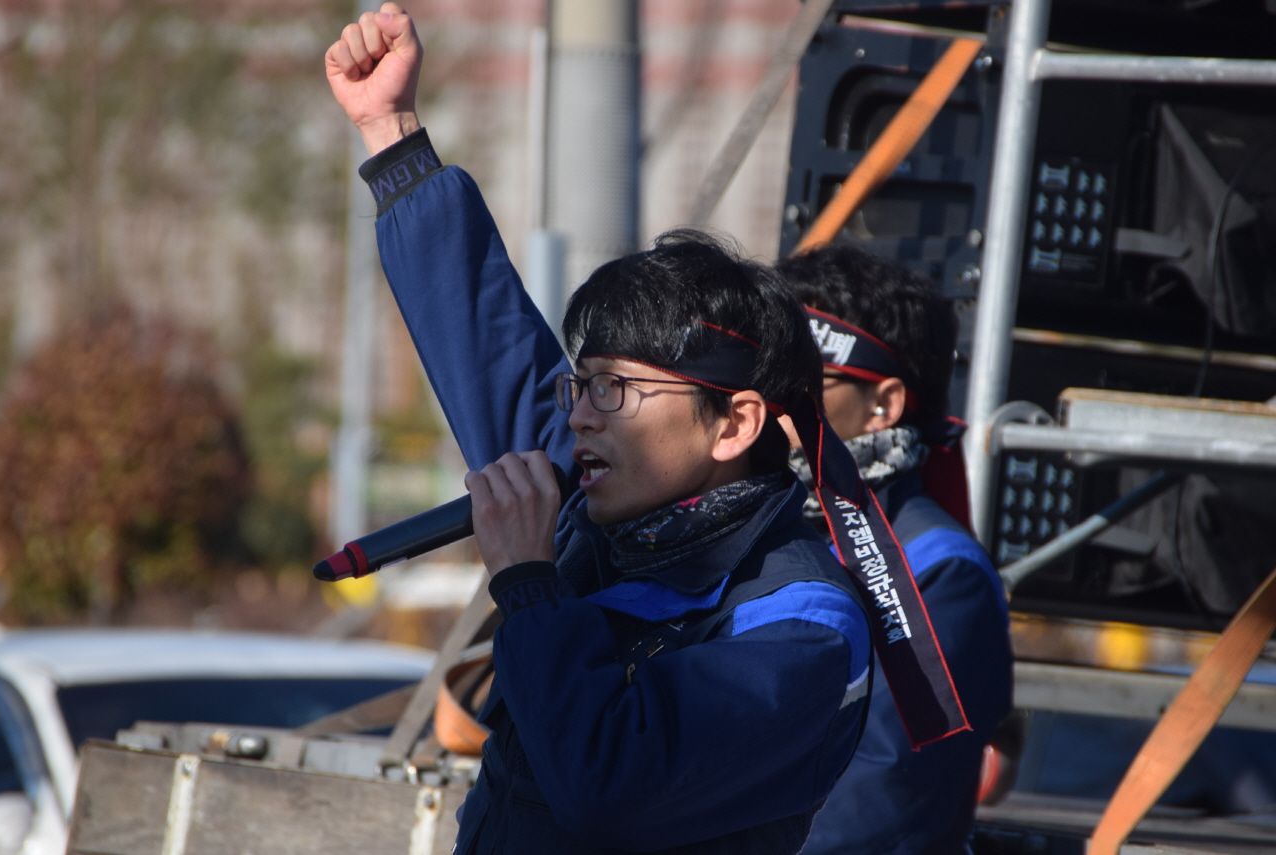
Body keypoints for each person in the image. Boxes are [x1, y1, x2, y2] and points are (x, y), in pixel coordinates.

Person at [325, 8, 886, 853]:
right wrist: (391, 130)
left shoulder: (802, 623)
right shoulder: (603, 503)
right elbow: (487, 341)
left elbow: (608, 785)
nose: (579, 414)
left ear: (734, 423)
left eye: (615, 388)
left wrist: (530, 588)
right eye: (580, 384)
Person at [776, 246, 1014, 855]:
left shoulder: (937, 571)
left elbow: (874, 808)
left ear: (883, 404)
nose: (765, 399)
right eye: (755, 369)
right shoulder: (732, 521)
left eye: (798, 378)